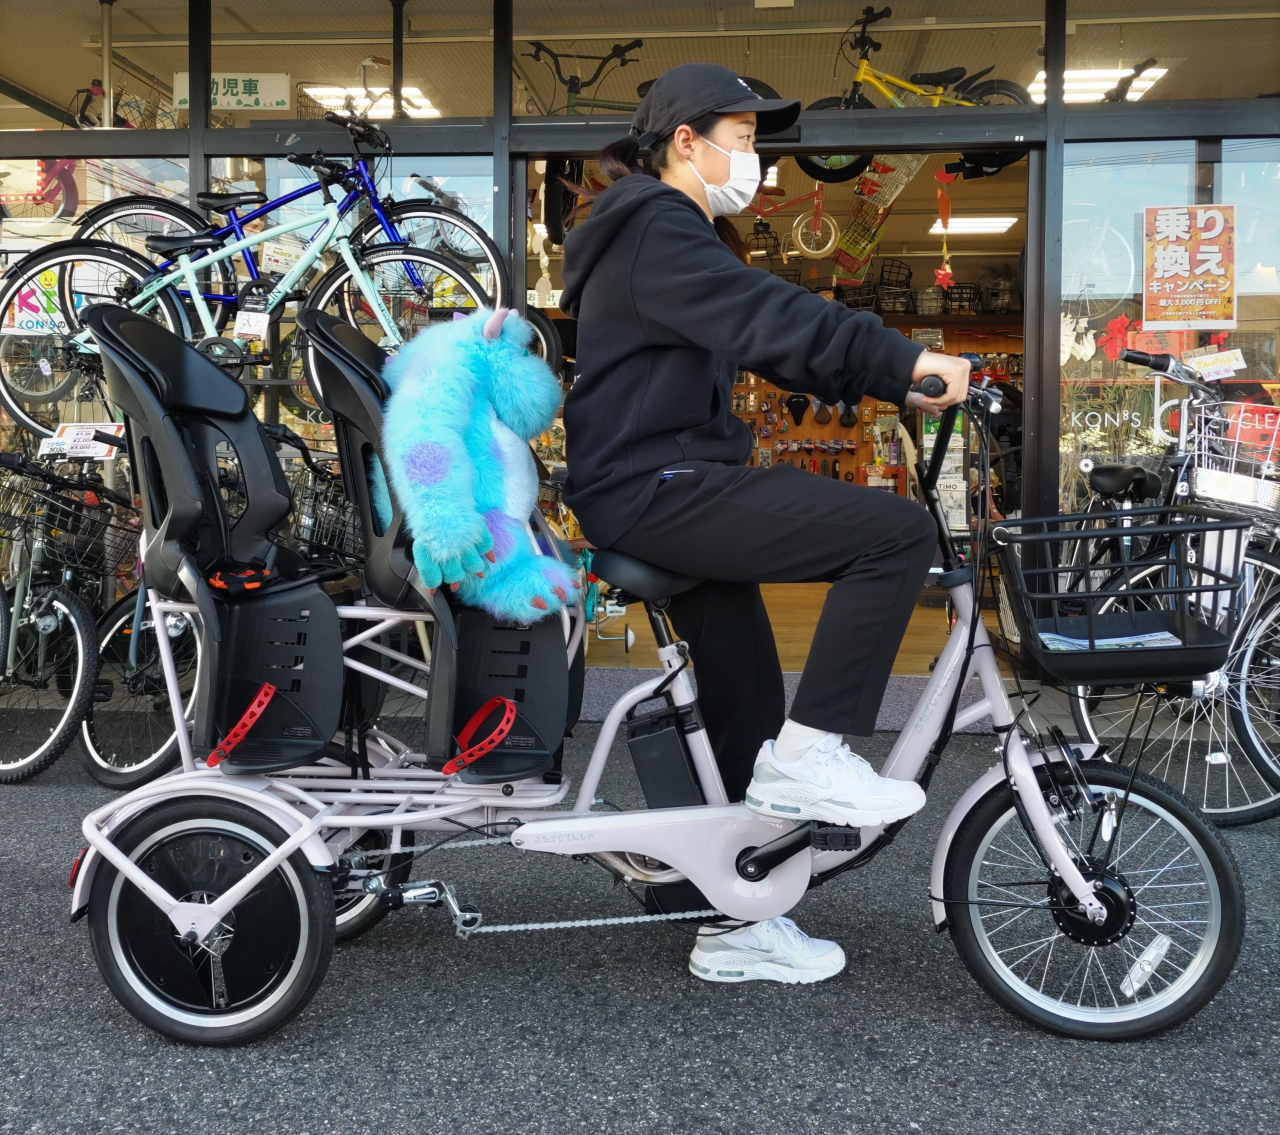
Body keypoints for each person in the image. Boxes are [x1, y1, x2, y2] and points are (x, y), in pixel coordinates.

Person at [558, 63, 970, 985]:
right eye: (743, 140)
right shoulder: (658, 227)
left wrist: (880, 378)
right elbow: (764, 316)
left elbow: (765, 339)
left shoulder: (669, 231)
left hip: (660, 479)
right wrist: (904, 359)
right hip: (651, 486)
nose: (755, 158)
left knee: (747, 695)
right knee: (894, 532)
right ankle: (815, 754)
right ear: (684, 143)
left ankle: (740, 916)